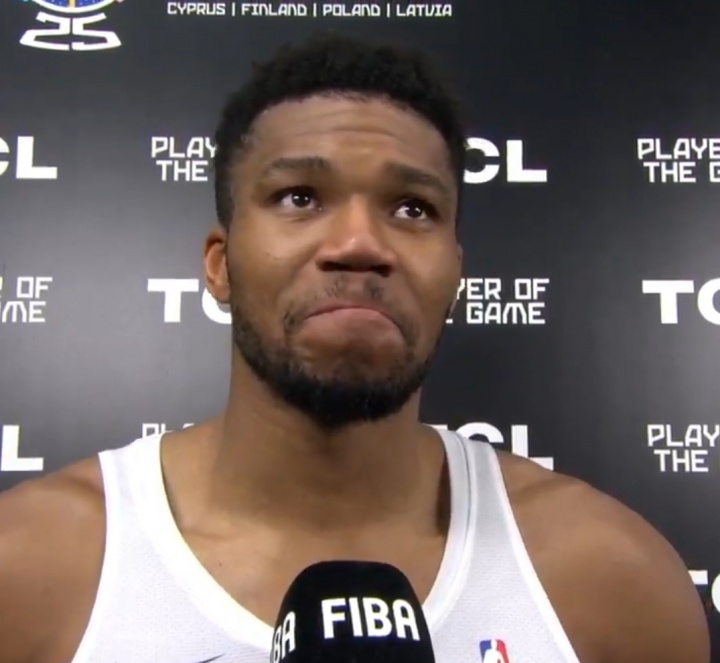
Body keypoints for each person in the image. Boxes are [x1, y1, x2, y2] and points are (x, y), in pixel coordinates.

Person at [0, 31, 709, 663]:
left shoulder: (610, 579)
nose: (360, 244)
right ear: (219, 264)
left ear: (456, 274)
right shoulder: (30, 570)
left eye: (412, 208)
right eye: (300, 197)